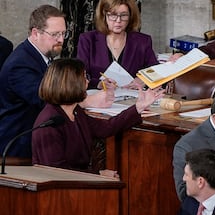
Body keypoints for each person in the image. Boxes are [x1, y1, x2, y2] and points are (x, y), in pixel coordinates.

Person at [0, 4, 113, 159]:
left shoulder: (40, 55)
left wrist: (95, 84)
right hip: (20, 147)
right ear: (35, 33)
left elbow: (59, 83)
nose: (61, 40)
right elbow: (47, 99)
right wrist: (87, 100)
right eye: (55, 34)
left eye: (63, 34)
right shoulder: (19, 64)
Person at [32, 58, 164, 174]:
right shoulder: (49, 122)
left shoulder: (75, 111)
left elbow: (106, 128)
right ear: (70, 83)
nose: (87, 82)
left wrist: (138, 107)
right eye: (84, 78)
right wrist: (97, 175)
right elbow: (56, 172)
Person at [77, 0, 158, 89]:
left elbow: (155, 71)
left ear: (130, 16)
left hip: (131, 100)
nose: (118, 20)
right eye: (113, 15)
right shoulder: (88, 40)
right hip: (97, 99)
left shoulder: (142, 41)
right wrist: (98, 84)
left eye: (124, 15)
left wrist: (144, 80)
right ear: (104, 15)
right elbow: (79, 76)